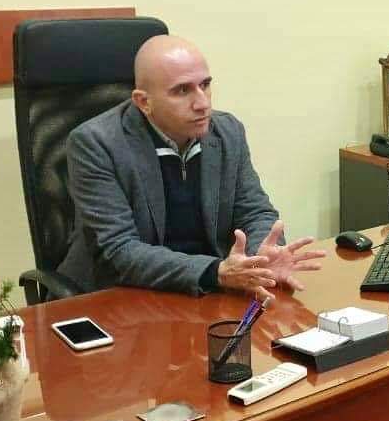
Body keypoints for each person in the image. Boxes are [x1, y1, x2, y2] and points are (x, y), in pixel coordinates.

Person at [58, 35, 326, 299]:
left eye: (205, 85)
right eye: (182, 90)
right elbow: (119, 250)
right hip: (124, 295)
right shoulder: (96, 143)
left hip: (207, 290)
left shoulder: (227, 131)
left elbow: (255, 212)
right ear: (143, 102)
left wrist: (259, 259)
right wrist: (216, 272)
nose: (203, 103)